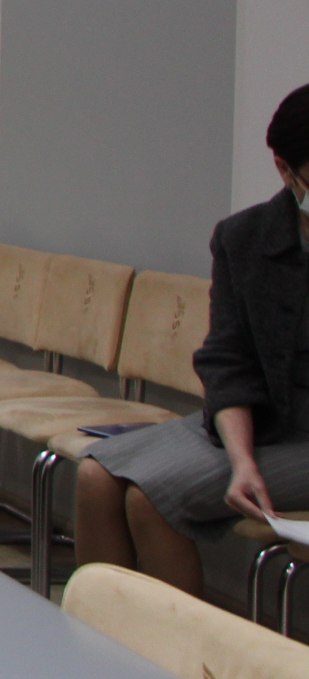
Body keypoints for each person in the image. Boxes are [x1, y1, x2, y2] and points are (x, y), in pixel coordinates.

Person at [76, 85, 309, 594]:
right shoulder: (244, 238)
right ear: (285, 171)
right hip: (260, 419)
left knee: (151, 498)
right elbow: (227, 359)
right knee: (95, 478)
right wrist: (241, 459)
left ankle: (176, 644)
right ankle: (97, 635)